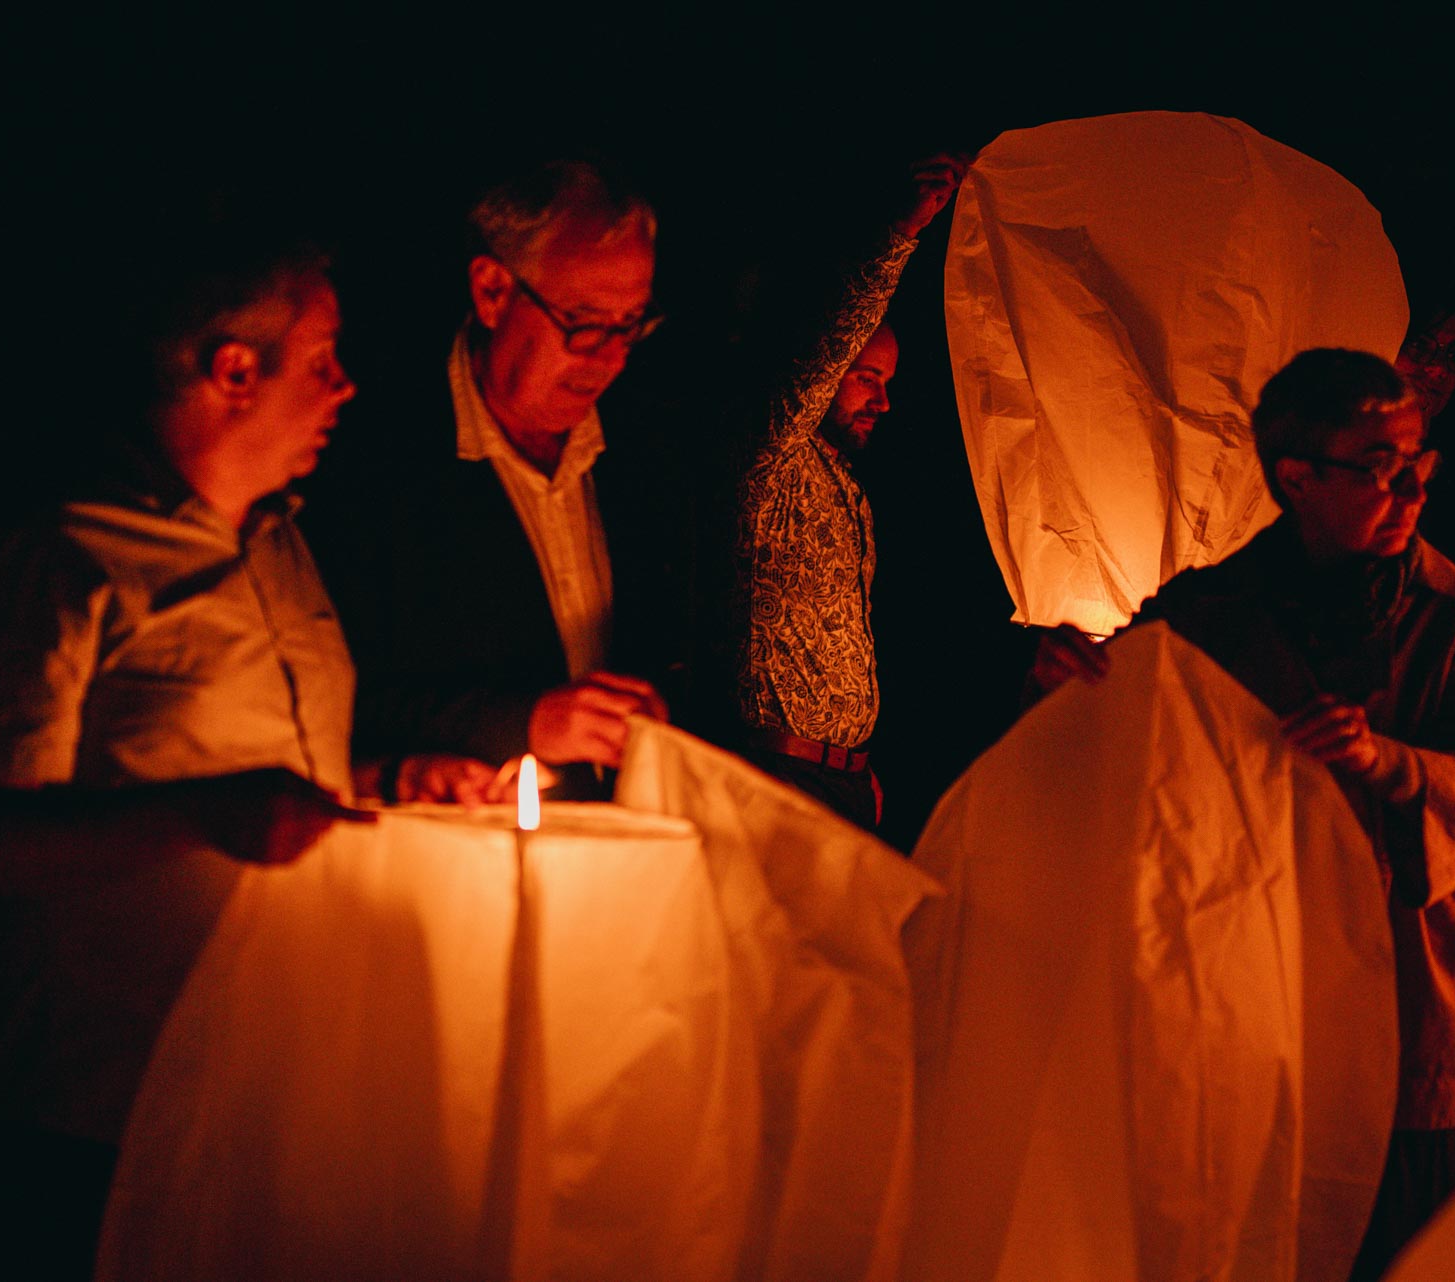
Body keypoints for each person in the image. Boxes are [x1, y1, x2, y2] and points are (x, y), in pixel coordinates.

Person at [0, 234, 496, 1276]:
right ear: (234, 369)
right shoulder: (60, 560)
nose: (349, 385)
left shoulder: (284, 545)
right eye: (323, 358)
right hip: (98, 1120)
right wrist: (198, 817)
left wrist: (391, 782)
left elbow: (263, 775)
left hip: (268, 1098)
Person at [1028, 349, 1455, 1279]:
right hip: (1243, 1001)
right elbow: (1126, 766)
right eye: (1381, 469)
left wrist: (1383, 761)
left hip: (1401, 1005)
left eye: (1420, 460)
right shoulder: (1207, 611)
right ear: (1296, 478)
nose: (1414, 489)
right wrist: (1071, 691)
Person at [306, 160, 678, 794]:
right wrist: (526, 721)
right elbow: (335, 692)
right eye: (584, 325)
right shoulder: (372, 455)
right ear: (492, 292)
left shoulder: (650, 448)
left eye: (630, 325)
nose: (611, 359)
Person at [730, 155, 966, 830]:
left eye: (887, 382)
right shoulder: (773, 456)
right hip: (780, 776)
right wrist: (906, 231)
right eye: (865, 378)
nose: (882, 402)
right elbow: (830, 339)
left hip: (847, 778)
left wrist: (856, 767)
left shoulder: (848, 490)